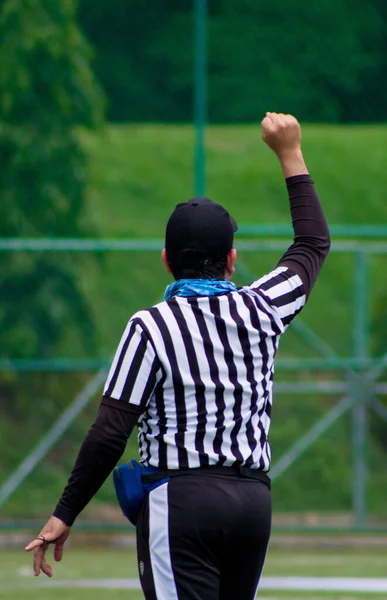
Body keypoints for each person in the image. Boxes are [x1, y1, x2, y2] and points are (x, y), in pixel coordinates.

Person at [25, 113, 330, 599]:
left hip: (182, 500)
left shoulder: (150, 326)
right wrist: (290, 153)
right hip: (253, 501)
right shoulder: (263, 308)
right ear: (231, 260)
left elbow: (110, 430)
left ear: (166, 259)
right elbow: (312, 243)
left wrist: (65, 512)